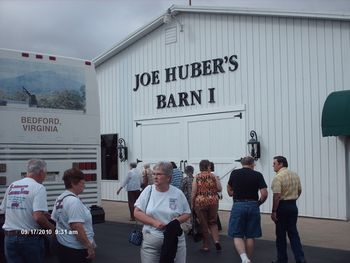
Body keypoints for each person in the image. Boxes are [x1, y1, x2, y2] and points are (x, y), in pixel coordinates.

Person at [134, 161, 191, 263]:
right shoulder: (148, 190)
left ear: (168, 177)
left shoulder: (177, 193)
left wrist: (176, 221)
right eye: (154, 174)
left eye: (159, 174)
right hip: (151, 242)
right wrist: (154, 222)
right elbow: (137, 212)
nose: (155, 177)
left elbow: (187, 213)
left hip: (175, 241)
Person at [0, 159, 55, 263]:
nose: (45, 176)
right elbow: (38, 217)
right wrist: (52, 229)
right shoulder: (39, 187)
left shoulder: (12, 185)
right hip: (29, 239)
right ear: (41, 172)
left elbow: (8, 209)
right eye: (45, 173)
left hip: (9, 238)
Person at [227, 156, 268, 263]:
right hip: (253, 205)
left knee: (237, 234)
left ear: (242, 163)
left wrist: (232, 193)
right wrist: (258, 203)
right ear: (253, 164)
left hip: (238, 205)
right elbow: (264, 194)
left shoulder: (234, 173)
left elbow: (229, 188)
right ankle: (248, 259)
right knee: (250, 235)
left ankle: (244, 258)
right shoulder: (258, 175)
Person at [51, 167, 96, 263]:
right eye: (82, 183)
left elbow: (56, 220)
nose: (84, 185)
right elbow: (76, 226)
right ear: (73, 183)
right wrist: (89, 246)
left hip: (64, 245)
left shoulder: (60, 198)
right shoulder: (73, 201)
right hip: (76, 250)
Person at [271, 156, 307, 263]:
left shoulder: (278, 177)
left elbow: (276, 195)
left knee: (281, 234)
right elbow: (299, 190)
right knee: (293, 233)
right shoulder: (295, 175)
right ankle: (300, 258)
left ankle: (282, 259)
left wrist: (274, 211)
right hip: (292, 205)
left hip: (282, 207)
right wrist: (292, 199)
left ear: (281, 164)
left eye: (274, 163)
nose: (273, 165)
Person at [191, 159, 222, 252]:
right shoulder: (213, 176)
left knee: (203, 224)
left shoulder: (197, 177)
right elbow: (219, 189)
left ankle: (206, 245)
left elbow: (193, 191)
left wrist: (192, 204)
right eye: (209, 166)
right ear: (208, 166)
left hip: (200, 202)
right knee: (213, 222)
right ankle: (216, 241)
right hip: (213, 201)